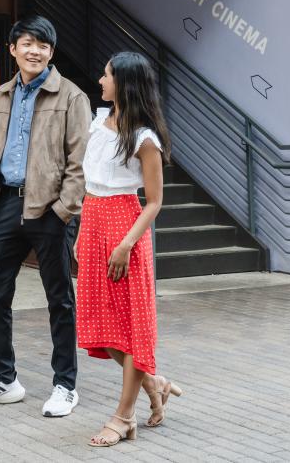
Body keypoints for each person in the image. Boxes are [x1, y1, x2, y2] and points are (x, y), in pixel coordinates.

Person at [0, 15, 91, 418]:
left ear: (51, 53)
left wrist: (63, 210)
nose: (35, 51)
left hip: (49, 209)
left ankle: (64, 385)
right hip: (5, 204)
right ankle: (5, 379)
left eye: (44, 45)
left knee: (59, 299)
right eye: (28, 43)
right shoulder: (0, 95)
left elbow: (80, 162)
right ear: (13, 48)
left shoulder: (71, 97)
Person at [76, 51, 183, 447]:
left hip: (125, 227)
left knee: (129, 328)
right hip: (93, 220)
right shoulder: (99, 124)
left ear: (123, 81)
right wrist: (83, 236)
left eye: (106, 74)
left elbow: (154, 201)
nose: (100, 80)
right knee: (101, 329)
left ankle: (123, 417)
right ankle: (154, 383)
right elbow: (91, 186)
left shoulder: (144, 137)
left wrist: (125, 243)